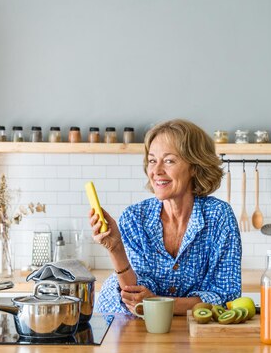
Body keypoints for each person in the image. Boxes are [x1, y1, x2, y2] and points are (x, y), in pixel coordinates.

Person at [89, 119, 242, 315]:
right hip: (126, 323)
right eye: (152, 160)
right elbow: (136, 299)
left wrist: (157, 303)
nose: (156, 171)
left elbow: (226, 297)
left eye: (169, 160)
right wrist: (115, 248)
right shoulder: (135, 218)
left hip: (192, 330)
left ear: (194, 166)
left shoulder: (219, 217)